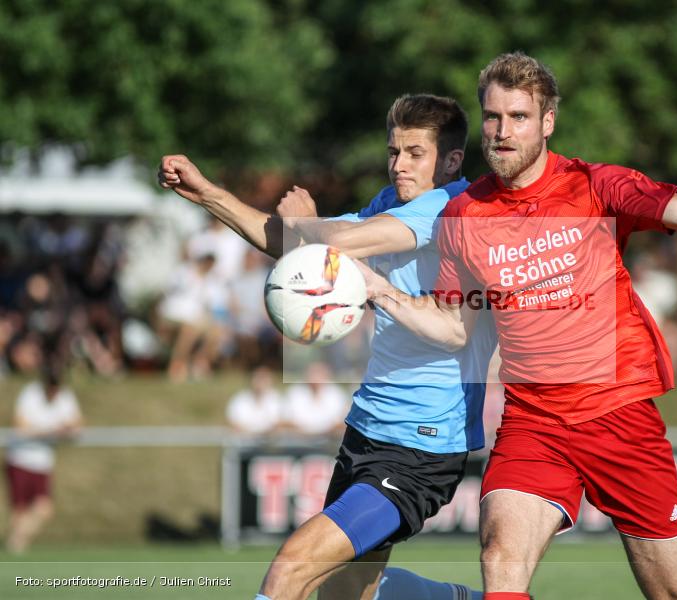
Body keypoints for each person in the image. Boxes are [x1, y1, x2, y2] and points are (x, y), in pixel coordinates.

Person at [358, 52, 677, 599]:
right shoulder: (464, 216)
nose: (502, 132)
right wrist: (378, 289)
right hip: (534, 421)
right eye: (493, 117)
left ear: (547, 122)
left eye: (519, 117)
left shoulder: (595, 188)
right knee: (501, 556)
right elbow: (455, 325)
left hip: (619, 415)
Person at [158, 93, 495, 600]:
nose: (398, 164)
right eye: (393, 151)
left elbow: (323, 241)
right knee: (344, 594)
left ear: (450, 160)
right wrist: (209, 194)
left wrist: (310, 225)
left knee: (292, 567)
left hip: (422, 447)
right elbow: (298, 244)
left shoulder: (449, 209)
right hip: (368, 431)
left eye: (414, 154)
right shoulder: (393, 203)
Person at [5, 363, 82, 553]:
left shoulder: (65, 396)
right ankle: (15, 551)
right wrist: (51, 431)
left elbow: (77, 423)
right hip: (20, 459)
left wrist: (65, 429)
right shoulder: (30, 394)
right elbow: (21, 427)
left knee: (44, 509)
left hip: (42, 462)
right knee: (19, 511)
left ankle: (13, 543)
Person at [282, 362, 350, 439]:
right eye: (312, 374)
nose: (315, 377)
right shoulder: (294, 392)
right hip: (298, 439)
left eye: (318, 374)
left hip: (330, 439)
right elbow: (285, 420)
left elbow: (342, 421)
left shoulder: (336, 393)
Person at [226, 365, 283, 437]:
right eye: (258, 378)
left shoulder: (276, 398)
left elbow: (279, 425)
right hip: (244, 443)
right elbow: (234, 424)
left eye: (264, 378)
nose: (260, 382)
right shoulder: (240, 399)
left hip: (269, 443)